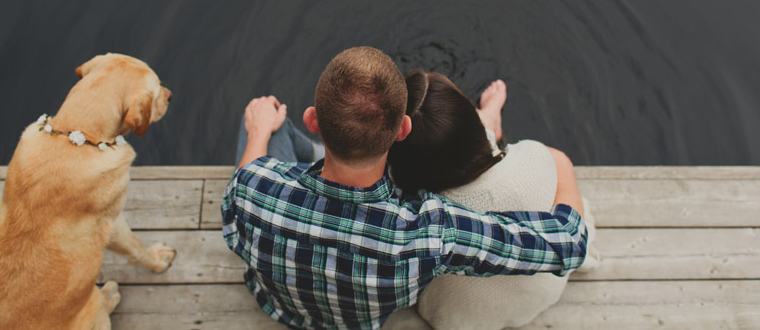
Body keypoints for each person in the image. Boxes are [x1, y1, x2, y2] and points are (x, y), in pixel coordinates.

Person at [221, 47, 588, 329]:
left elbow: (249, 175)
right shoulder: (429, 233)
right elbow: (569, 244)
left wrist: (257, 133)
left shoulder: (252, 190)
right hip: (359, 322)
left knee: (265, 122)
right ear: (402, 132)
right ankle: (484, 124)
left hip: (280, 309)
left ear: (313, 119)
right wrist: (563, 164)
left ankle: (325, 151)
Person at [388, 70, 595, 329]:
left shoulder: (411, 209)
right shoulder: (534, 156)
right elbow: (571, 229)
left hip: (449, 318)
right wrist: (561, 161)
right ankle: (490, 122)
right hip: (540, 295)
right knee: (562, 191)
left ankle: (489, 120)